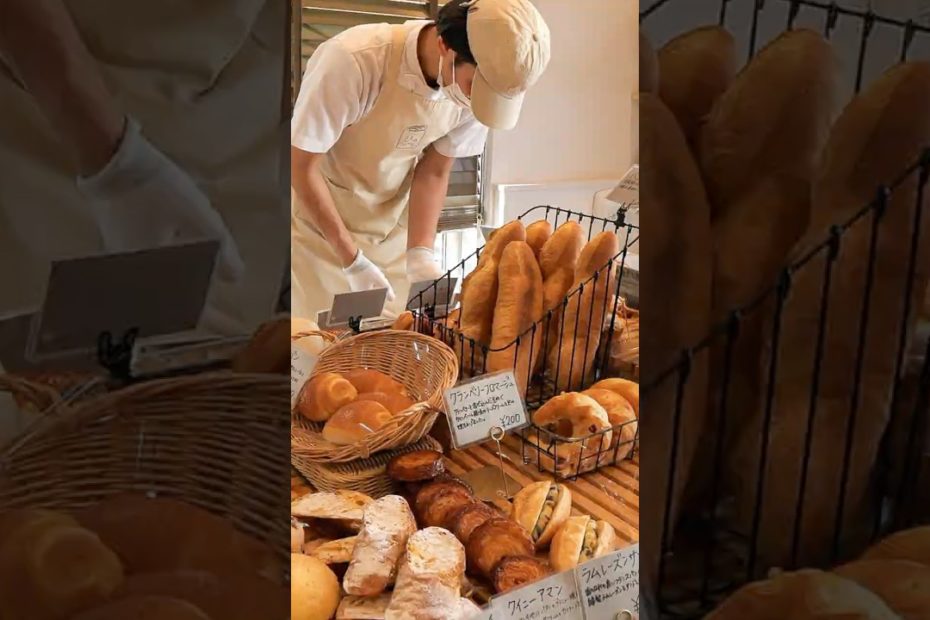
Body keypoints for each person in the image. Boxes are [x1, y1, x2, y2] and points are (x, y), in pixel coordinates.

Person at [0, 0, 287, 339]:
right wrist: (117, 166)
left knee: (219, 368)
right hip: (50, 94)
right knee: (65, 365)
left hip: (248, 90)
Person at [290, 0, 551, 321]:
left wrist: (420, 252)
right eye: (472, 88)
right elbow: (301, 166)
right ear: (445, 46)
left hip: (392, 233)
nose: (473, 101)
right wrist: (352, 259)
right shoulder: (355, 60)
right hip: (324, 235)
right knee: (323, 349)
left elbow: (434, 171)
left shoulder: (480, 92)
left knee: (393, 351)